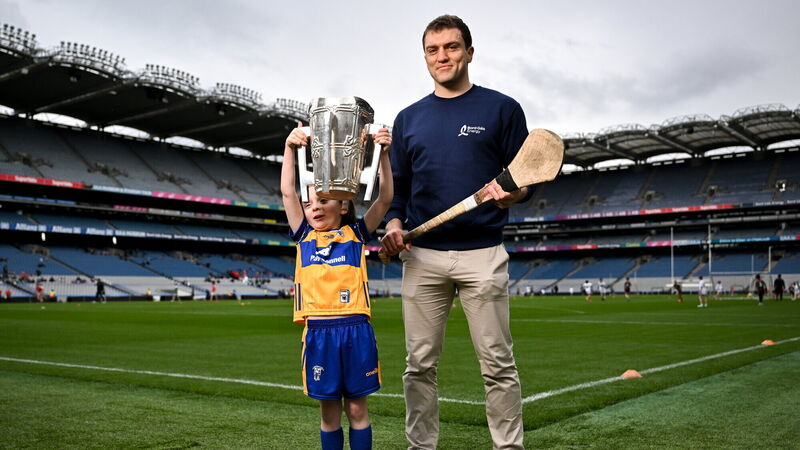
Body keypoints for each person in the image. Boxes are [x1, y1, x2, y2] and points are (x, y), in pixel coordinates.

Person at [380, 15, 531, 449]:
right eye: (433, 49)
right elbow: (398, 189)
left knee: (498, 365)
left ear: (469, 52)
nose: (442, 56)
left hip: (483, 253)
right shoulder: (408, 119)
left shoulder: (502, 109)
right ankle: (421, 446)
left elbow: (526, 179)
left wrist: (513, 194)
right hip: (422, 256)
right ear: (425, 56)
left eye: (451, 47)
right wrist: (394, 224)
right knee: (418, 365)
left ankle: (509, 446)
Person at [282, 120, 392, 450]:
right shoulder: (304, 236)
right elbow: (287, 191)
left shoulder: (355, 235)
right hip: (319, 332)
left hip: (356, 329)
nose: (314, 207)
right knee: (329, 414)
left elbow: (385, 198)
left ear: (343, 204)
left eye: (323, 200)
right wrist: (289, 149)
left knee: (357, 410)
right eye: (309, 203)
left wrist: (384, 154)